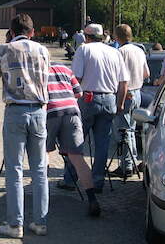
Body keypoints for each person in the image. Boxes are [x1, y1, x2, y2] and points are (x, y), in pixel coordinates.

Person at [0, 14, 50, 238]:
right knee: (39, 169)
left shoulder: (4, 49)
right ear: (33, 32)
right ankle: (40, 223)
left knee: (15, 169)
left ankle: (15, 225)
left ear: (12, 32)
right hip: (39, 112)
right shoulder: (44, 50)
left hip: (15, 111)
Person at [62, 23, 129, 193]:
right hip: (109, 99)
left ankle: (71, 179)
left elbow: (76, 78)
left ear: (86, 36)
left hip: (88, 98)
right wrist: (120, 103)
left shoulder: (84, 50)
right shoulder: (115, 52)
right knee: (102, 143)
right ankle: (98, 180)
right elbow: (124, 82)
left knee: (76, 140)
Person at [46, 61, 101, 217]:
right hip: (72, 111)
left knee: (44, 153)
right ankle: (92, 200)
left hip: (50, 112)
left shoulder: (38, 70)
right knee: (77, 158)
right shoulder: (65, 68)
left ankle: (42, 198)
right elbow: (79, 93)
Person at [109, 24, 150, 178]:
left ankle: (126, 166)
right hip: (138, 92)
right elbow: (147, 73)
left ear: (117, 37)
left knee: (123, 131)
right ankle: (131, 162)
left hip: (126, 93)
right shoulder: (140, 51)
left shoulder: (120, 52)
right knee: (131, 130)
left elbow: (117, 77)